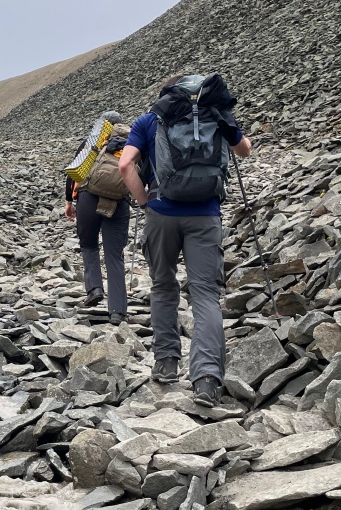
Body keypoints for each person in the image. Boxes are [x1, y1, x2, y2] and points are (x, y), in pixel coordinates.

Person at [118, 74, 252, 405]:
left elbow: (125, 166)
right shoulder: (216, 113)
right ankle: (206, 380)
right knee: (205, 294)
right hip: (205, 213)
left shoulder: (151, 119)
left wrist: (144, 201)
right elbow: (244, 151)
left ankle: (166, 363)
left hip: (162, 211)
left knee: (163, 286)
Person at [64, 111, 130, 325]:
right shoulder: (131, 143)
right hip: (119, 202)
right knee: (114, 254)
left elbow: (74, 171)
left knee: (89, 245)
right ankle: (117, 311)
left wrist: (69, 201)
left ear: (103, 125)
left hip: (88, 198)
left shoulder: (93, 141)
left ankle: (94, 289)